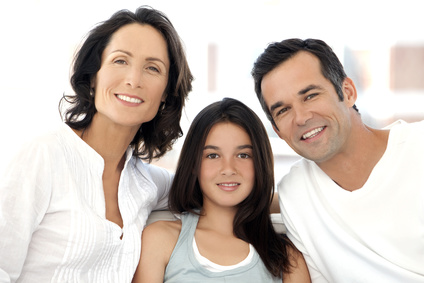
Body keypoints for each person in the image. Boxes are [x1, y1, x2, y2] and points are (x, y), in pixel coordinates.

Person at [0, 6, 193, 282]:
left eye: (152, 68)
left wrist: (275, 197)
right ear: (93, 76)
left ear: (165, 93)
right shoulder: (43, 155)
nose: (133, 80)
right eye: (120, 61)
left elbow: (210, 192)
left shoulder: (147, 182)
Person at [251, 38, 424, 282]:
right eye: (283, 110)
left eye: (310, 96)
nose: (301, 117)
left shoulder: (418, 148)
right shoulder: (295, 193)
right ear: (277, 130)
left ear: (348, 92)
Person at [132, 98, 311, 283]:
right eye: (213, 155)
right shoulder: (160, 239)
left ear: (260, 163)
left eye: (243, 155)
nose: (228, 168)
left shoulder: (287, 257)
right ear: (193, 164)